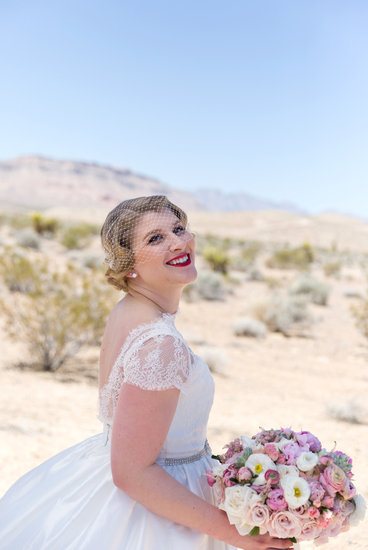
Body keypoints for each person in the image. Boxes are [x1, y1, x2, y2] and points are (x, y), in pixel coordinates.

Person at [0, 195, 293, 550]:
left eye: (178, 228)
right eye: (155, 238)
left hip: (101, 469)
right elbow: (133, 472)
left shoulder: (128, 310)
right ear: (129, 265)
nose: (177, 241)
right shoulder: (160, 344)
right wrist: (236, 534)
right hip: (153, 508)